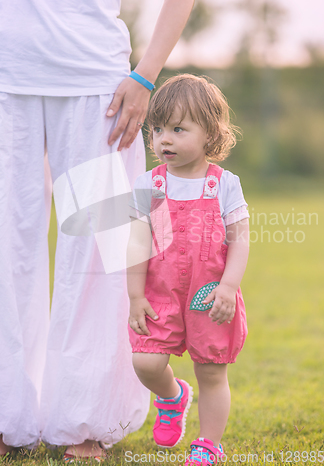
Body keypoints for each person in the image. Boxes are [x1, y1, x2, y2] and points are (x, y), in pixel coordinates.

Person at [0, 0, 194, 460]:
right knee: (4, 248)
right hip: (5, 83)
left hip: (97, 91)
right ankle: (7, 414)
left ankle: (84, 418)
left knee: (100, 255)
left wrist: (144, 76)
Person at [127, 74, 249, 464]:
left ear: (210, 133)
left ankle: (208, 444)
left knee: (212, 370)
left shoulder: (224, 185)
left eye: (178, 129)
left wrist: (228, 287)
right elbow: (136, 243)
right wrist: (135, 295)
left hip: (208, 294)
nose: (164, 139)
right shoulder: (149, 185)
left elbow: (239, 239)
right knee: (145, 361)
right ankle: (172, 396)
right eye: (158, 128)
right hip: (159, 293)